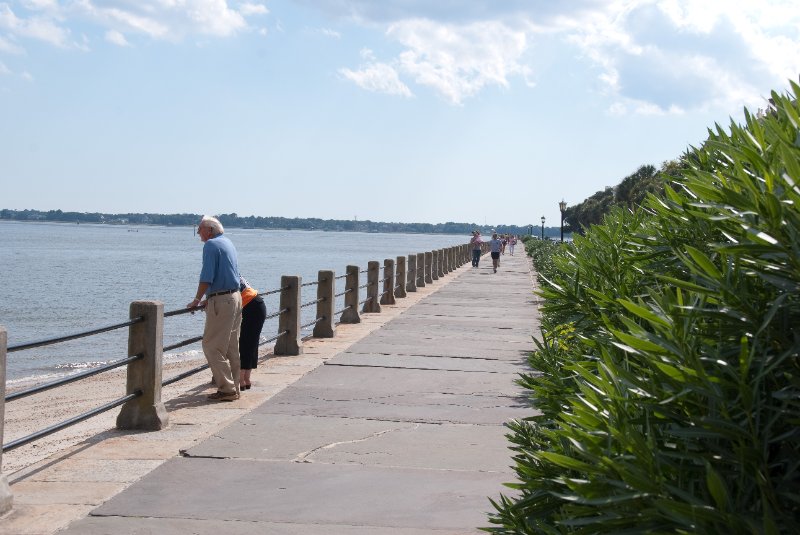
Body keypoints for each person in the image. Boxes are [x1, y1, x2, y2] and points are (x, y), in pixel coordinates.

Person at [187, 215, 242, 402]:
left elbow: (207, 276)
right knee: (231, 347)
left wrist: (197, 299)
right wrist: (209, 296)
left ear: (209, 230)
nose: (198, 233)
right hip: (235, 297)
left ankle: (227, 389)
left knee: (211, 345)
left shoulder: (210, 246)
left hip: (222, 301)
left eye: (200, 229)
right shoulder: (228, 243)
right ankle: (235, 387)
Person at [238, 277, 266, 390]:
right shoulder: (236, 274)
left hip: (250, 307)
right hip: (259, 304)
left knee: (244, 343)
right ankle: (246, 379)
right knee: (252, 343)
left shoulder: (226, 277)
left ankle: (241, 380)